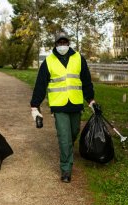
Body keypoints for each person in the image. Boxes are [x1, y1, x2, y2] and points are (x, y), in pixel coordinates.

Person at [30, 31, 98, 183]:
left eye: (65, 43)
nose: (62, 45)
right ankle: (66, 169)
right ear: (55, 44)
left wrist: (91, 100)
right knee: (64, 137)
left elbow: (86, 81)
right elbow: (40, 85)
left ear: (68, 43)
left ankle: (67, 150)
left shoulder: (79, 58)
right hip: (59, 105)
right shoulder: (48, 61)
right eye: (59, 43)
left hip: (75, 103)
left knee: (74, 132)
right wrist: (35, 105)